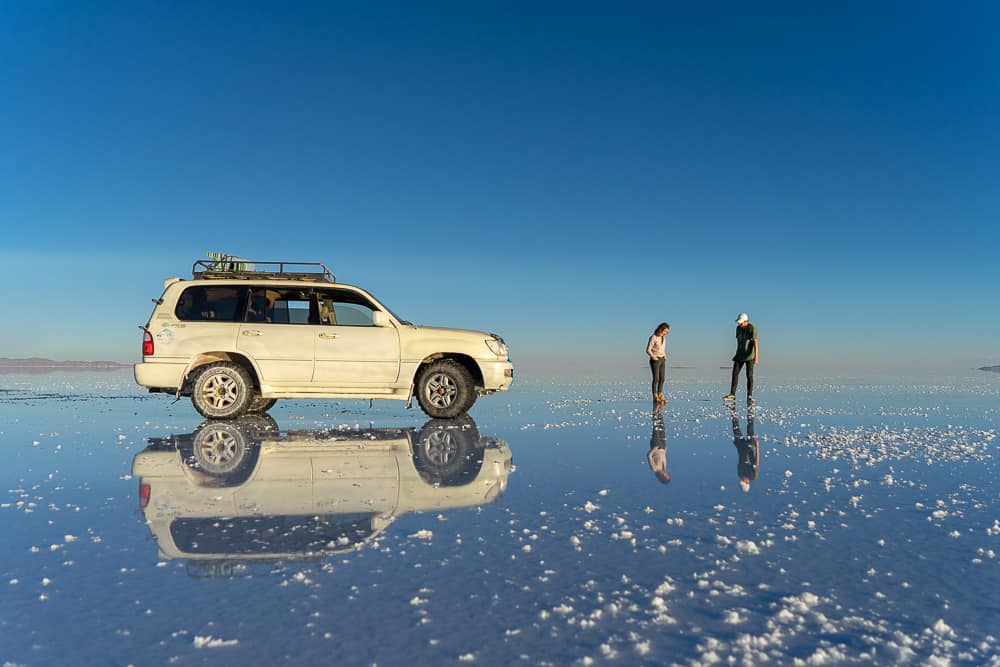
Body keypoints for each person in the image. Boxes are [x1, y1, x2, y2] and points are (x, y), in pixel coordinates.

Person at [723, 313, 758, 404]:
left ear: (746, 321)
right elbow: (739, 342)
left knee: (749, 375)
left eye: (741, 322)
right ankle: (732, 394)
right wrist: (737, 353)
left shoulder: (752, 328)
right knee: (735, 373)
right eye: (739, 323)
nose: (740, 324)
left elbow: (755, 342)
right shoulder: (738, 328)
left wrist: (756, 356)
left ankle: (749, 396)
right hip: (739, 355)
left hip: (749, 356)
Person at [730, 406, 760, 492]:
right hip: (751, 448)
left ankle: (733, 409)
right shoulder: (753, 476)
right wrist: (757, 446)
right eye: (743, 481)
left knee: (736, 430)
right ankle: (750, 408)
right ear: (747, 482)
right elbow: (757, 462)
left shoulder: (740, 474)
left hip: (741, 448)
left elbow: (740, 459)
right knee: (750, 429)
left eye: (741, 481)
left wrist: (736, 445)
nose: (741, 479)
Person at [646, 322, 670, 404]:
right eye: (665, 331)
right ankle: (655, 396)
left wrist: (665, 355)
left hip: (662, 359)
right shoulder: (653, 337)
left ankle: (660, 394)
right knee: (656, 378)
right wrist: (654, 357)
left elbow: (662, 348)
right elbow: (648, 350)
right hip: (655, 360)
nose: (666, 333)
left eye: (667, 332)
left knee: (662, 378)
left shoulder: (663, 338)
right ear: (661, 329)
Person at [647, 403, 670, 484]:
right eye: (668, 475)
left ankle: (655, 411)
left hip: (656, 445)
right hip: (662, 446)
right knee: (662, 427)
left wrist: (654, 449)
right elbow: (663, 457)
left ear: (662, 477)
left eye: (666, 475)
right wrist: (665, 450)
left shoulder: (655, 468)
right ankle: (659, 412)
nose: (667, 473)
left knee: (656, 427)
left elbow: (649, 455)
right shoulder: (664, 467)